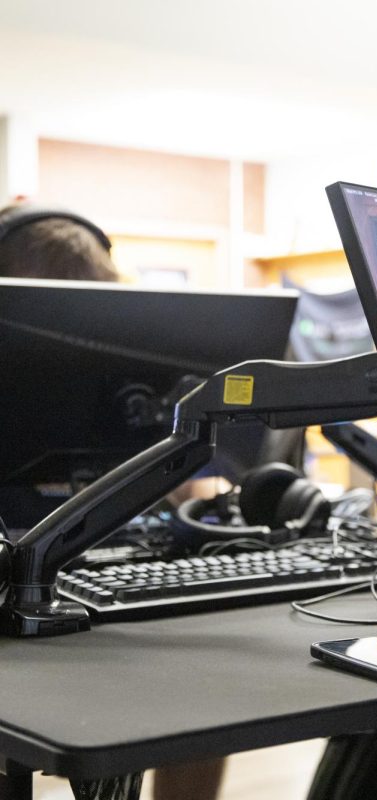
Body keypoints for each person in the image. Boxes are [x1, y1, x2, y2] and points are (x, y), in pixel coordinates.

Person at [0, 201, 226, 800]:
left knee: (208, 690)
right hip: (15, 588)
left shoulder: (134, 366)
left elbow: (193, 487)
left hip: (123, 573)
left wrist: (192, 483)